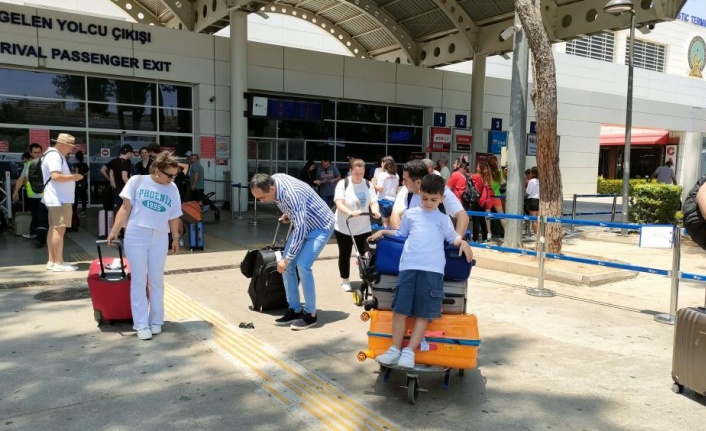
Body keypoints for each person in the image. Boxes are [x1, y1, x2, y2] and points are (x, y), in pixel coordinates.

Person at [368, 174, 473, 369]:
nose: (428, 203)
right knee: (399, 311)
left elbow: (453, 239)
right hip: (408, 268)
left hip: (432, 271)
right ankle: (394, 349)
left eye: (433, 199)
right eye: (424, 198)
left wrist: (463, 242)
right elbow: (401, 234)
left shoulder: (443, 219)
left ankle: (409, 351)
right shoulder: (410, 214)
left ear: (442, 198)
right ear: (419, 193)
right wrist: (383, 231)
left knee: (423, 315)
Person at [107, 151, 183, 341]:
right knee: (139, 280)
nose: (172, 179)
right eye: (169, 175)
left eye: (174, 175)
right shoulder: (137, 181)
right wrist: (114, 230)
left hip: (160, 236)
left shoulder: (172, 188)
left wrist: (175, 237)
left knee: (156, 280)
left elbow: (174, 215)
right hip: (136, 234)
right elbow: (125, 208)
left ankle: (156, 321)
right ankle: (141, 324)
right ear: (157, 171)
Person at [249, 173, 335, 330]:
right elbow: (299, 213)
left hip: (320, 226)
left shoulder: (291, 194)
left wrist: (287, 258)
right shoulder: (274, 181)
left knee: (303, 265)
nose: (261, 201)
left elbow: (301, 228)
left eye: (262, 197)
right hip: (305, 223)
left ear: (272, 188)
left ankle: (311, 314)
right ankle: (294, 310)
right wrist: (289, 213)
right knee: (287, 267)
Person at [333, 159, 381, 292]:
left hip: (363, 227)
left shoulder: (368, 184)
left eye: (361, 173)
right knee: (345, 253)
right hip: (344, 226)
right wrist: (350, 212)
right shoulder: (343, 184)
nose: (358, 176)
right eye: (356, 173)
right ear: (351, 171)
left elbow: (373, 202)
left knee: (365, 255)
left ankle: (366, 279)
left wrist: (375, 211)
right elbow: (339, 203)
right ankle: (345, 279)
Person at [389, 159, 469, 237]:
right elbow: (395, 215)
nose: (403, 183)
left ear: (418, 182)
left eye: (405, 180)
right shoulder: (406, 191)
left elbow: (462, 216)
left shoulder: (440, 190)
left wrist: (456, 241)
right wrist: (402, 239)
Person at [42, 133, 83, 272]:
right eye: (70, 147)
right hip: (59, 198)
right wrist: (74, 177)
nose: (70, 150)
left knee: (53, 228)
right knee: (59, 228)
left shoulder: (51, 154)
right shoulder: (55, 156)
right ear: (62, 144)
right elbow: (56, 176)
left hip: (55, 198)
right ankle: (59, 262)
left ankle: (52, 260)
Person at [12, 143, 43, 239]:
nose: (37, 154)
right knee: (35, 215)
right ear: (31, 153)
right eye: (35, 152)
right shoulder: (28, 165)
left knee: (42, 216)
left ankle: (40, 234)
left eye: (39, 152)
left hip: (45, 196)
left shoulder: (47, 164)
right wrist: (16, 191)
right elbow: (21, 179)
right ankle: (36, 233)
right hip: (33, 195)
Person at [101, 144, 134, 210]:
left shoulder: (114, 161)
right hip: (124, 189)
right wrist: (132, 187)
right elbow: (124, 178)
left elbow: (104, 171)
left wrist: (111, 181)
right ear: (129, 153)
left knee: (118, 207)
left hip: (116, 189)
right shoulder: (125, 163)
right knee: (125, 208)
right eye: (131, 154)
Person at [371, 156, 399, 227]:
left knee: (385, 223)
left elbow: (380, 189)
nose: (381, 164)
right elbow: (396, 189)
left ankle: (385, 233)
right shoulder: (396, 175)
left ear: (384, 164)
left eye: (382, 162)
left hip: (383, 201)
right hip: (393, 201)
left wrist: (373, 183)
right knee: (391, 223)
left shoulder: (382, 175)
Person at [470, 162, 494, 242]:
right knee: (482, 219)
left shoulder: (475, 176)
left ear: (481, 169)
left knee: (475, 220)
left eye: (478, 166)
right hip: (483, 200)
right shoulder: (486, 178)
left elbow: (469, 179)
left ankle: (475, 238)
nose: (476, 168)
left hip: (476, 199)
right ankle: (484, 237)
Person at [487, 155, 506, 239]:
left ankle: (489, 233)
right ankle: (507, 232)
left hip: (488, 196)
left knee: (487, 215)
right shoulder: (499, 172)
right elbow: (501, 182)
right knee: (501, 215)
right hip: (497, 196)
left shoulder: (487, 172)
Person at [72, 151, 89, 218]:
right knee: (83, 198)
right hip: (84, 183)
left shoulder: (76, 165)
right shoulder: (85, 165)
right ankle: (83, 212)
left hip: (77, 184)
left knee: (76, 198)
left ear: (76, 157)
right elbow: (86, 173)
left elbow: (76, 174)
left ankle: (74, 212)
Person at [525, 166, 540, 239]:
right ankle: (539, 234)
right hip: (539, 200)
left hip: (532, 200)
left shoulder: (531, 181)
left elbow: (528, 192)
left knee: (533, 219)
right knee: (538, 218)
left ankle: (536, 235)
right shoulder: (540, 181)